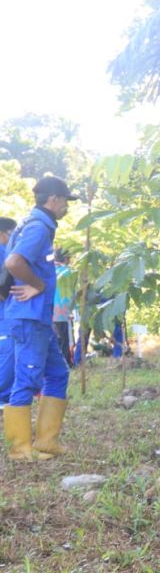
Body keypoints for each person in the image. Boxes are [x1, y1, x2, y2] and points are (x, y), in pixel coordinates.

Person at [3, 176, 74, 460]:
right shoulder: (38, 229)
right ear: (53, 199)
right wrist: (39, 285)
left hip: (38, 320)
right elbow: (12, 263)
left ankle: (47, 441)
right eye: (66, 200)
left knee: (58, 374)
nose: (66, 206)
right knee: (28, 379)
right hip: (29, 318)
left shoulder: (29, 225)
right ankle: (20, 449)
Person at [0, 216, 18, 406]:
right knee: (7, 355)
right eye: (11, 233)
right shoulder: (4, 253)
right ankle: (3, 399)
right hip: (5, 315)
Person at [52, 248, 75, 367]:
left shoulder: (49, 270)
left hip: (49, 309)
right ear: (66, 259)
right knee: (65, 338)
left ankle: (57, 362)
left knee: (55, 338)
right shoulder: (68, 272)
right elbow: (72, 292)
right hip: (63, 310)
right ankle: (66, 362)